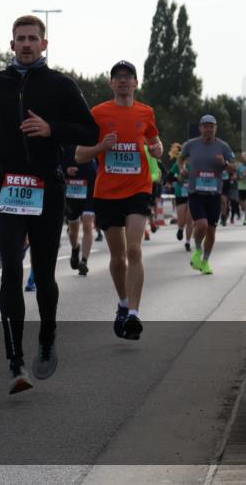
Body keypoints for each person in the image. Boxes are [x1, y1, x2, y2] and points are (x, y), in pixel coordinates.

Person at [0, 15, 98, 392]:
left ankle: (46, 338)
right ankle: (15, 360)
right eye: (20, 39)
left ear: (44, 44)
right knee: (11, 267)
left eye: (33, 38)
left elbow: (89, 131)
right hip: (9, 189)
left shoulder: (60, 85)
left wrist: (52, 129)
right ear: (11, 45)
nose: (26, 44)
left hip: (48, 188)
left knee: (43, 274)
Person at [76, 61, 161, 340]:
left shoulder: (146, 112)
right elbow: (79, 155)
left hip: (138, 189)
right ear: (111, 83)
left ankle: (134, 314)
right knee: (118, 256)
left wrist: (157, 148)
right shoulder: (98, 113)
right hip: (107, 194)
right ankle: (123, 304)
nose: (123, 81)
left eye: (128, 77)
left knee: (135, 250)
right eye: (118, 77)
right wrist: (102, 147)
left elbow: (154, 142)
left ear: (136, 83)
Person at [180, 115, 237, 275]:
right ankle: (198, 249)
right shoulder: (191, 145)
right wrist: (183, 168)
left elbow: (235, 168)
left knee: (211, 230)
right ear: (200, 128)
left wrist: (224, 164)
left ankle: (205, 261)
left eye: (211, 126)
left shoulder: (223, 147)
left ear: (216, 128)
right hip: (196, 192)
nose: (208, 129)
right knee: (202, 225)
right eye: (205, 126)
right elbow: (180, 158)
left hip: (214, 194)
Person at [62, 144, 96, 276]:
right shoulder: (68, 139)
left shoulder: (92, 136)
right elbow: (59, 161)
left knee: (88, 225)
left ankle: (84, 261)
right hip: (72, 188)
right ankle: (75, 248)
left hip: (89, 187)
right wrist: (66, 169)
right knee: (73, 229)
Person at [167, 143, 193, 251]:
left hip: (193, 194)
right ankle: (180, 229)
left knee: (190, 219)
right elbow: (169, 178)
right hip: (180, 193)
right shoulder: (178, 164)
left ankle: (187, 242)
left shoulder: (196, 163)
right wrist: (178, 179)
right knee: (182, 219)